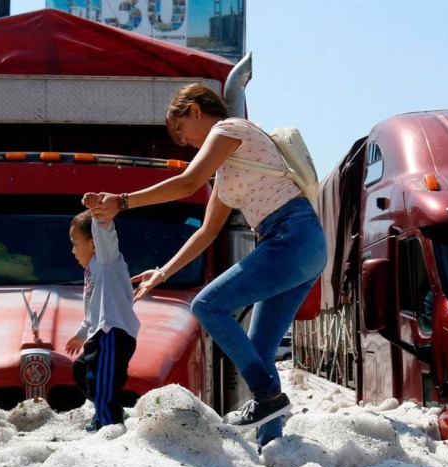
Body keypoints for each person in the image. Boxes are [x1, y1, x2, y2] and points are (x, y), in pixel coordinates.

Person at [82, 83, 327, 447]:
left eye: (182, 130)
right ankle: (272, 445)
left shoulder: (229, 129)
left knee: (207, 305)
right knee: (259, 351)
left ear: (196, 110)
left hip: (291, 235)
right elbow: (207, 232)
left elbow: (188, 182)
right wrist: (163, 271)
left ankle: (270, 398)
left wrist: (122, 201)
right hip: (299, 244)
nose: (185, 143)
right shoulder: (227, 174)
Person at [65, 209, 140, 432]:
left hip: (113, 332)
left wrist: (100, 216)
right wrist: (80, 335)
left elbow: (106, 235)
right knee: (81, 370)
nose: (73, 250)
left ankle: (108, 425)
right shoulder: (91, 271)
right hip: (99, 332)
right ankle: (110, 409)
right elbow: (93, 311)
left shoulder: (106, 261)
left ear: (93, 243)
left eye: (75, 244)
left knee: (102, 381)